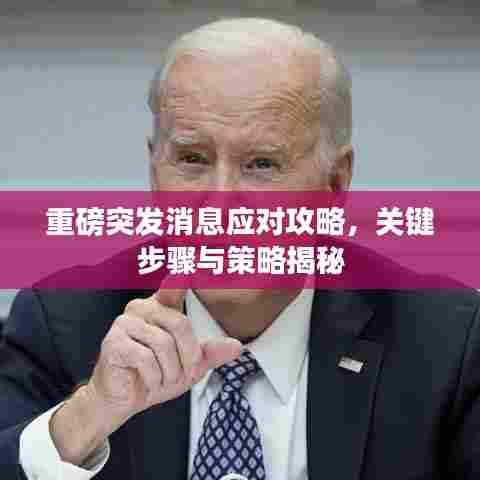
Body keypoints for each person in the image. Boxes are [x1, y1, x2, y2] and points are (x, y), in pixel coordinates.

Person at [1, 17, 480, 480]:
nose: (220, 203)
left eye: (261, 164)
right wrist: (90, 413)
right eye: (192, 158)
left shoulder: (446, 341)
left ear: (335, 184)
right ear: (153, 169)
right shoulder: (62, 322)